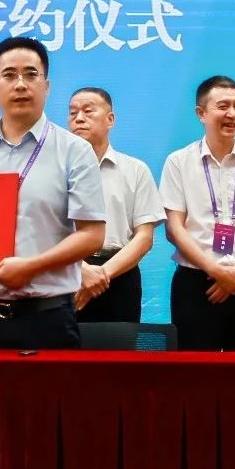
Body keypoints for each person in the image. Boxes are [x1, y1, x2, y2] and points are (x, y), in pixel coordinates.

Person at [0, 37, 105, 349]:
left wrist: (31, 266)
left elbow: (92, 235)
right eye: (9, 75)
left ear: (47, 86)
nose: (21, 84)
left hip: (46, 318)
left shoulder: (74, 150)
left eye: (31, 74)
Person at [159, 76, 235, 351]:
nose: (232, 114)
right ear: (201, 113)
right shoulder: (178, 162)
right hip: (196, 284)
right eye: (223, 106)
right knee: (196, 371)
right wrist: (215, 270)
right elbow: (174, 228)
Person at [67, 87, 164, 322]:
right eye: (73, 113)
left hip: (121, 276)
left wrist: (101, 275)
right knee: (65, 344)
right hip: (69, 273)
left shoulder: (136, 170)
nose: (79, 118)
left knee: (121, 345)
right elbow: (45, 231)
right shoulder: (56, 170)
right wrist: (81, 269)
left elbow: (144, 237)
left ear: (110, 119)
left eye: (88, 111)